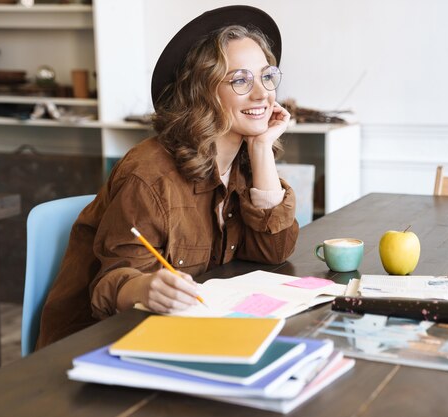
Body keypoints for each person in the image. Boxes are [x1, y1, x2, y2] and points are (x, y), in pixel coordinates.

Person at [36, 5, 299, 349]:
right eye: (240, 80)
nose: (263, 94)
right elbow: (108, 287)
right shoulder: (148, 175)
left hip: (183, 334)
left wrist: (262, 148)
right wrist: (146, 288)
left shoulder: (243, 161)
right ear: (201, 91)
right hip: (94, 349)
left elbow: (273, 252)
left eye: (267, 76)